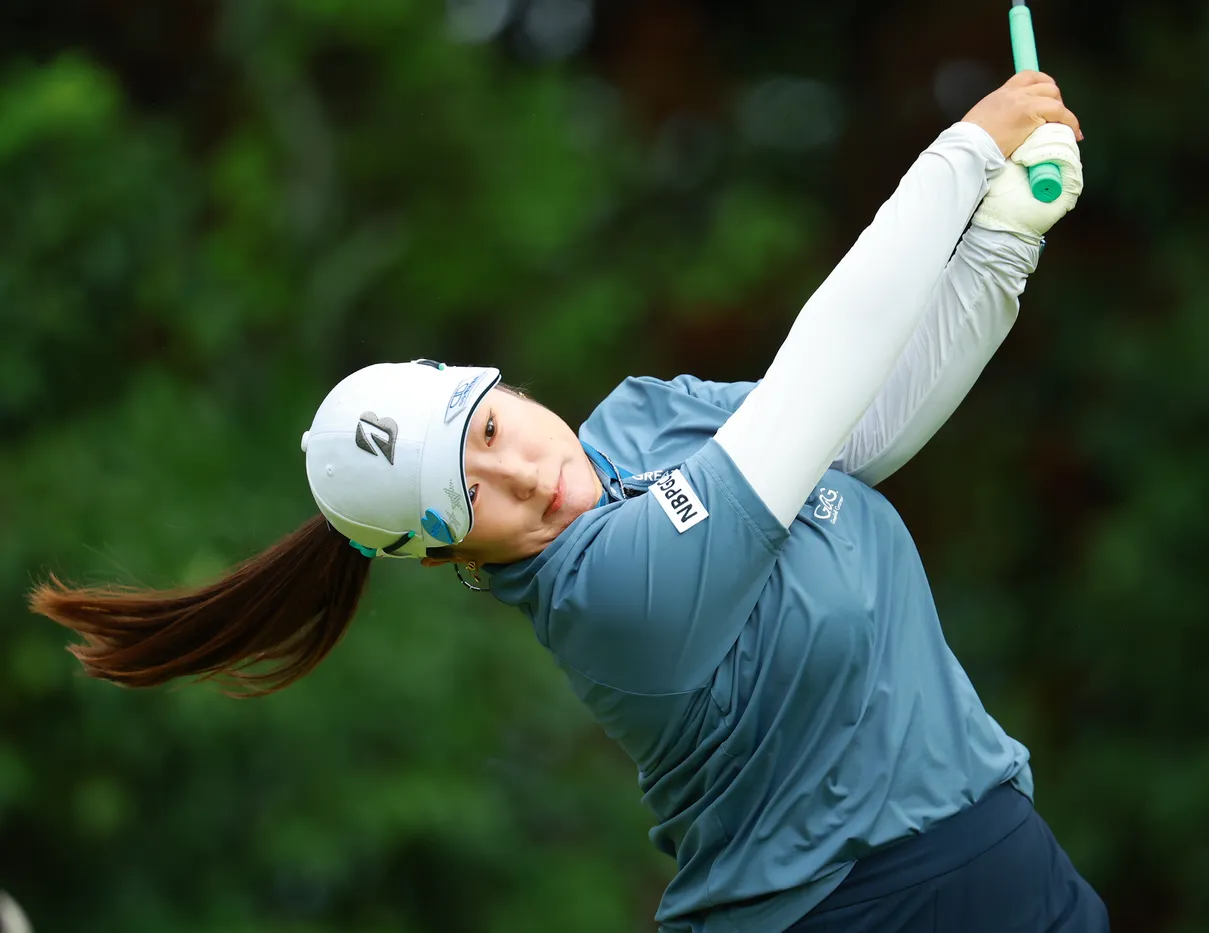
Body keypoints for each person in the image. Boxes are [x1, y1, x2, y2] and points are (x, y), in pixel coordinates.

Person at [32, 71, 1103, 932]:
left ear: (496, 388)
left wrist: (1002, 240)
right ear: (451, 559)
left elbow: (856, 423)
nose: (522, 475)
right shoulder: (607, 599)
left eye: (490, 431)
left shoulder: (643, 419)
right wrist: (963, 152)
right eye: (472, 499)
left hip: (999, 853)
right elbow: (822, 372)